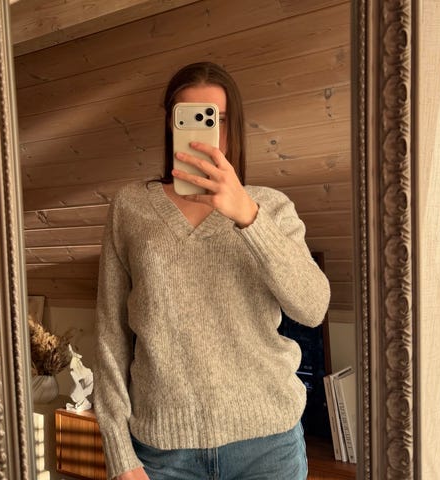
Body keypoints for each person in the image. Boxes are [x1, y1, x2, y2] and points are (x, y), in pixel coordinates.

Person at [93, 62, 331, 480]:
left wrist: (249, 217)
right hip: (163, 452)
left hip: (268, 446)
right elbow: (110, 334)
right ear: (170, 125)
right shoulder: (130, 208)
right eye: (188, 117)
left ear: (232, 126)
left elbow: (312, 308)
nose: (205, 132)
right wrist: (119, 452)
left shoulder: (271, 207)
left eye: (216, 119)